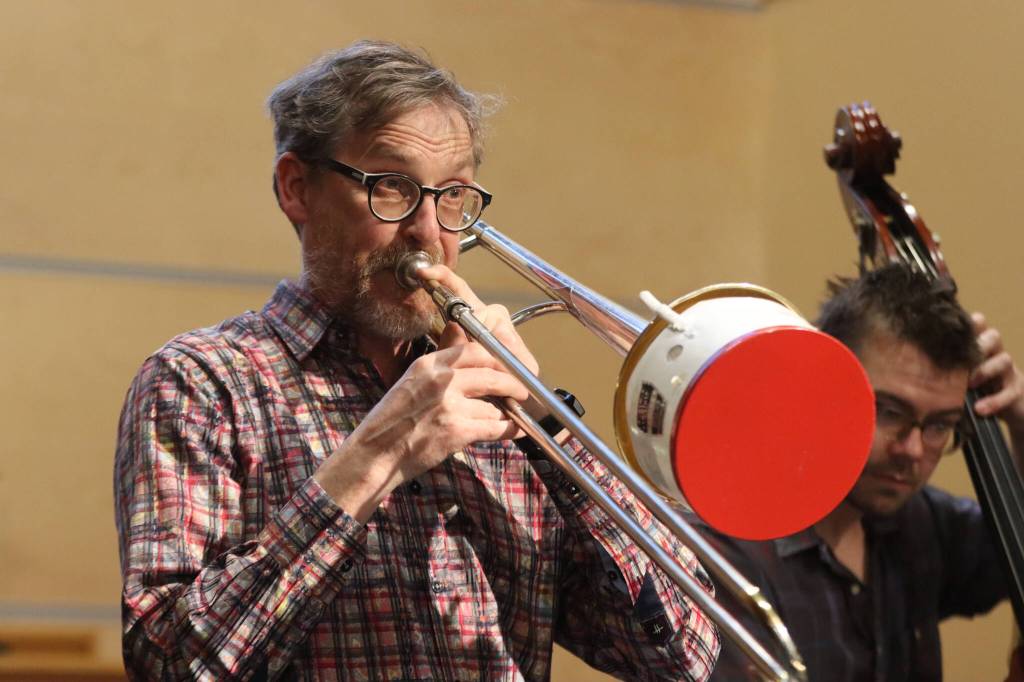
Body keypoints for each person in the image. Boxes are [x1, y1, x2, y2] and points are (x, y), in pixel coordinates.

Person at [113, 40, 719, 680]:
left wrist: (551, 427)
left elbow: (682, 657)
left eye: (453, 195)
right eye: (393, 188)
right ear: (297, 189)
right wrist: (378, 454)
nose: (430, 231)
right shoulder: (203, 381)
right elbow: (168, 662)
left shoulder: (499, 411)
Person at [701, 263, 1024, 681]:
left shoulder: (918, 523)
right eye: (889, 412)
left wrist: (1020, 424)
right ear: (821, 382)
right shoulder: (724, 558)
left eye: (939, 425)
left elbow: (1012, 548)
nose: (911, 450)